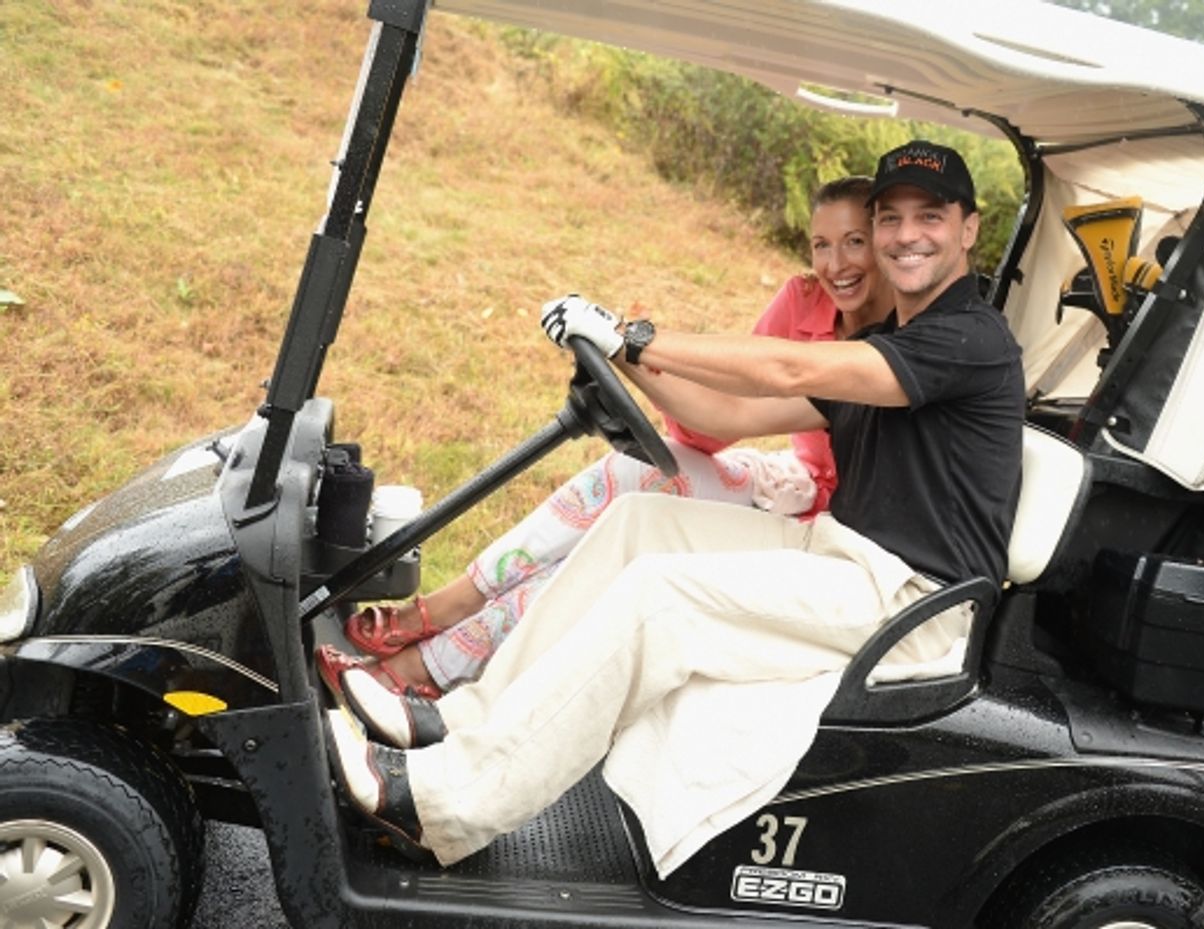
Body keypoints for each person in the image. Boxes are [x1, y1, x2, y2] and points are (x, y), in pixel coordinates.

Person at [322, 140, 1025, 875]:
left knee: (660, 598)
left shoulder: (969, 341)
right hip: (840, 555)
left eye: (930, 217)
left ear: (969, 229)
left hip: (912, 605)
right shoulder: (893, 342)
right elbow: (724, 415)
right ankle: (460, 719)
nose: (907, 235)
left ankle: (446, 803)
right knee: (637, 523)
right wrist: (624, 361)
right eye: (892, 218)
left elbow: (787, 363)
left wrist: (637, 334)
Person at [316, 176, 894, 697]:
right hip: (787, 479)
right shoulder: (804, 301)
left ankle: (429, 667)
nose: (835, 263)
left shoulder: (885, 354)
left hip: (826, 529)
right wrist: (625, 358)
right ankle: (446, 610)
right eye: (822, 244)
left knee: (614, 550)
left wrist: (627, 349)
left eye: (854, 242)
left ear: (885, 243)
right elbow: (707, 421)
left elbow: (730, 417)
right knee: (625, 478)